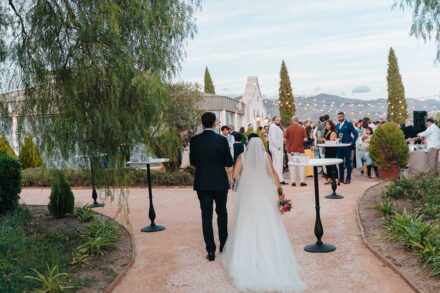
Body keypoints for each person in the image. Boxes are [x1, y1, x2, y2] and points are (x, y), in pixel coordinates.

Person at [222, 137, 306, 292]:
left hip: (248, 194)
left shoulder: (242, 156)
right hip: (264, 194)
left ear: (248, 145)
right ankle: (270, 255)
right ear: (261, 145)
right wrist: (280, 192)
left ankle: (245, 259)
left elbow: (234, 176)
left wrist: (246, 180)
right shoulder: (265, 156)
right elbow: (273, 174)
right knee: (268, 222)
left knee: (246, 221)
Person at [190, 112, 234, 261]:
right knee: (222, 212)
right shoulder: (221, 140)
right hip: (220, 182)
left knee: (206, 215)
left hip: (202, 182)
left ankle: (210, 250)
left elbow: (193, 162)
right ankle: (224, 244)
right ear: (214, 123)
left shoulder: (194, 140)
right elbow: (229, 162)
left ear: (202, 123)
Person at [285, 116, 308, 187]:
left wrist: (289, 142)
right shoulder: (302, 128)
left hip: (291, 150)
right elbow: (305, 139)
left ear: (292, 121)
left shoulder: (288, 129)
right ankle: (302, 181)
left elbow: (285, 139)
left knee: (292, 166)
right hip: (300, 150)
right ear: (298, 121)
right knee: (301, 166)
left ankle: (293, 182)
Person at [336, 112, 358, 184]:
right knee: (340, 163)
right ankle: (341, 178)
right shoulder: (337, 125)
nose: (339, 118)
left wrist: (353, 142)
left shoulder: (348, 124)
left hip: (347, 146)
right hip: (339, 147)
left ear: (344, 116)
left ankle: (348, 178)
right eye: (338, 117)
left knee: (348, 162)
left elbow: (356, 133)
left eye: (341, 117)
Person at [268, 116, 287, 185]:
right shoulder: (273, 127)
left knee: (276, 164)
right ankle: (280, 179)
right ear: (273, 121)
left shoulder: (275, 127)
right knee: (278, 163)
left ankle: (276, 178)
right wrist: (278, 146)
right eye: (277, 120)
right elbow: (273, 138)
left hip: (276, 148)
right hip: (276, 148)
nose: (278, 121)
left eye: (279, 120)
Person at [321, 120, 338, 185]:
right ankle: (329, 178)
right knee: (327, 164)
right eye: (326, 124)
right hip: (327, 149)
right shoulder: (327, 132)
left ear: (331, 125)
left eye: (328, 124)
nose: (327, 126)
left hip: (332, 150)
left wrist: (325, 140)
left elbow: (331, 141)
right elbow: (325, 142)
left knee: (333, 164)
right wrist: (322, 140)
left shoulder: (333, 132)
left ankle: (335, 178)